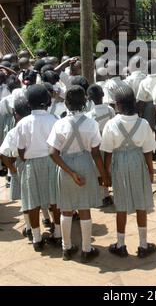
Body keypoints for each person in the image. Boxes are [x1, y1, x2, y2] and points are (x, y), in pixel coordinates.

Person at [48, 85, 109, 263]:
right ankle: (86, 249)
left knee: (66, 209)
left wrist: (70, 172)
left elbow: (53, 152)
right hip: (85, 163)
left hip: (65, 166)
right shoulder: (91, 124)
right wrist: (104, 175)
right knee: (84, 208)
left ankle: (66, 248)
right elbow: (96, 153)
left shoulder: (59, 123)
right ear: (85, 102)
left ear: (65, 103)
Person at [102, 87, 156, 258]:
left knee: (121, 205)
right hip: (138, 162)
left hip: (119, 164)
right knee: (141, 203)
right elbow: (148, 151)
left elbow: (107, 153)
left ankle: (120, 244)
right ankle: (142, 244)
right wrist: (151, 171)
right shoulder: (143, 123)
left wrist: (106, 174)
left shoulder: (111, 124)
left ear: (117, 104)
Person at [16, 85, 61, 252]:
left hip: (31, 164)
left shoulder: (22, 123)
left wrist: (27, 158)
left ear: (28, 103)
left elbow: (21, 150)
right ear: (47, 101)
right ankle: (57, 234)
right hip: (52, 162)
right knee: (55, 200)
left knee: (32, 201)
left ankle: (36, 238)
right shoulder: (54, 119)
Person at [0, 97, 32, 239]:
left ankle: (29, 227)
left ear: (15, 114)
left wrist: (11, 169)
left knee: (26, 199)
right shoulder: (35, 127)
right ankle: (47, 220)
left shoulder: (13, 132)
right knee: (43, 198)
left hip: (21, 166)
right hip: (39, 163)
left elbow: (4, 153)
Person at [86, 84, 115, 207]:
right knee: (109, 168)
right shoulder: (110, 110)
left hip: (96, 145)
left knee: (98, 170)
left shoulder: (90, 115)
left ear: (89, 98)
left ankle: (103, 195)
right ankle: (108, 193)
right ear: (103, 95)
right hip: (109, 142)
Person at [136, 59, 156, 160]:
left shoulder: (144, 82)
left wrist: (140, 112)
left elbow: (141, 99)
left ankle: (149, 152)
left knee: (149, 130)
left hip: (148, 106)